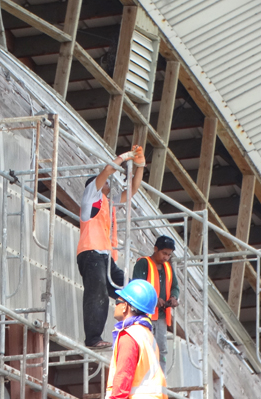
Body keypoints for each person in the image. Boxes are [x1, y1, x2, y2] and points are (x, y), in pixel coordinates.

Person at [77, 145, 145, 348]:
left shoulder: (108, 203)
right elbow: (107, 170)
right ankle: (93, 339)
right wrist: (124, 158)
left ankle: (134, 331)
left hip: (105, 257)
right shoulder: (91, 197)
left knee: (131, 290)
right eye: (105, 183)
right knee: (96, 293)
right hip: (91, 253)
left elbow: (132, 190)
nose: (108, 184)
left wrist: (140, 165)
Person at [107, 279, 167, 399]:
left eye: (118, 301)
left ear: (125, 306)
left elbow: (123, 376)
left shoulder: (129, 335)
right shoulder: (147, 335)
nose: (116, 305)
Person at [132, 235, 179, 372]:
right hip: (145, 314)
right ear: (155, 249)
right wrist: (153, 299)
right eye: (164, 253)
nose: (166, 257)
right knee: (146, 347)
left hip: (161, 316)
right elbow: (137, 286)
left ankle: (160, 379)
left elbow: (175, 286)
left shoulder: (168, 268)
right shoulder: (143, 263)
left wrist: (174, 297)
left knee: (161, 349)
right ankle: (146, 377)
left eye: (169, 255)